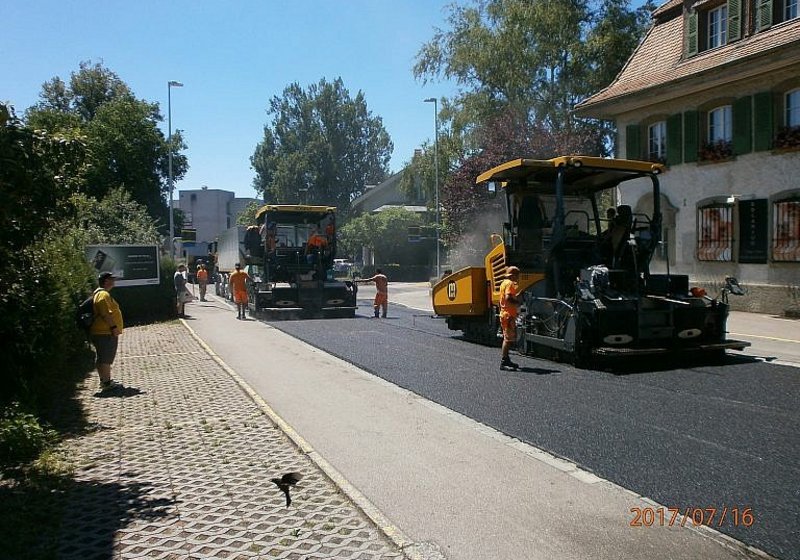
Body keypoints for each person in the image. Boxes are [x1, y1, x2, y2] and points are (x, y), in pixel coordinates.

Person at [89, 272, 124, 391]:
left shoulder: (99, 293)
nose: (114, 281)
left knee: (102, 357)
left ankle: (104, 380)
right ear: (106, 281)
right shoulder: (103, 294)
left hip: (101, 331)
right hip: (105, 332)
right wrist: (113, 327)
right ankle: (106, 383)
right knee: (106, 358)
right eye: (112, 279)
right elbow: (105, 312)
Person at [499, 266, 521, 370]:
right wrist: (518, 302)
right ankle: (504, 362)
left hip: (505, 314)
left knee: (507, 338)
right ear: (513, 276)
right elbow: (508, 298)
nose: (518, 278)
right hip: (508, 315)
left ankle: (506, 360)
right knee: (508, 339)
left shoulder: (504, 283)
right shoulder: (510, 284)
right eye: (517, 276)